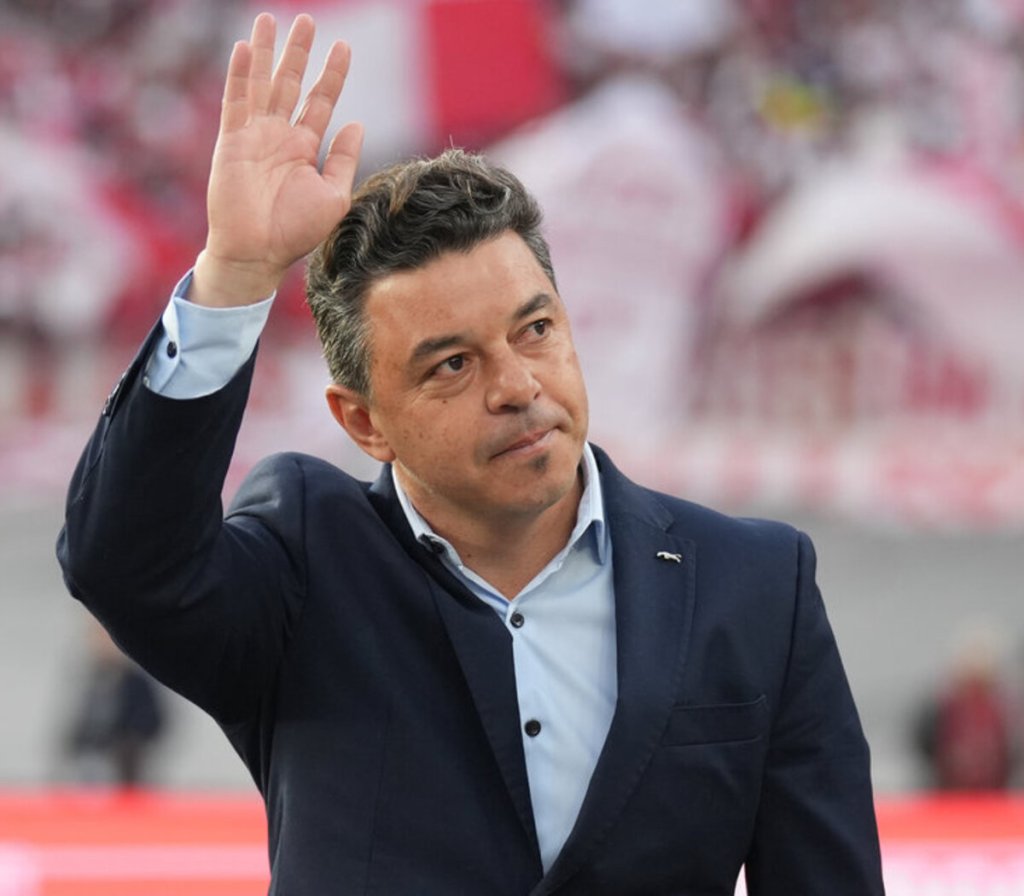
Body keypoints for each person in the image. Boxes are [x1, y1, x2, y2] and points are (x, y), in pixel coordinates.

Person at [57, 12, 884, 895]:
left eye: (535, 330)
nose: (518, 385)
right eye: (452, 364)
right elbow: (124, 565)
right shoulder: (308, 565)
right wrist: (233, 277)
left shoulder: (755, 586)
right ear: (363, 422)